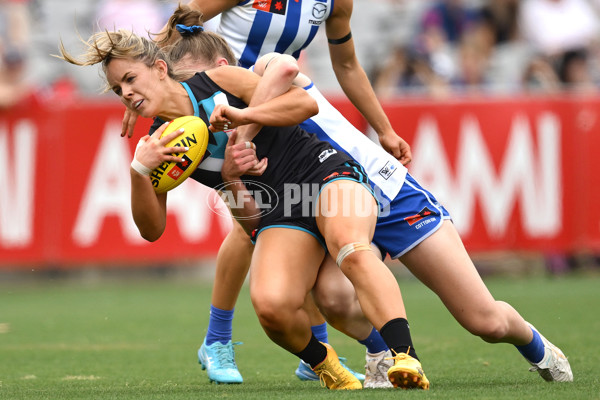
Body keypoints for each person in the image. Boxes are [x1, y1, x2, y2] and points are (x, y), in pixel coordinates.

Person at [159, 9, 574, 387]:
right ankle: (382, 354)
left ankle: (535, 345)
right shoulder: (217, 137)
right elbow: (252, 225)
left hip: (386, 190)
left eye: (192, 83)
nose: (191, 98)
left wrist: (385, 129)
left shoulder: (261, 73)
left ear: (219, 67)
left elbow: (294, 64)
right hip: (327, 198)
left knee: (484, 321)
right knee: (335, 296)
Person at [57, 27, 431, 390]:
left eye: (130, 78)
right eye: (119, 89)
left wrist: (244, 117)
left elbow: (304, 103)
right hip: (280, 209)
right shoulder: (160, 144)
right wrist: (142, 171)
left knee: (351, 248)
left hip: (323, 170)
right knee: (272, 306)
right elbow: (153, 230)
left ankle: (405, 356)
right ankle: (326, 366)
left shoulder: (218, 80)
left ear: (158, 69)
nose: (126, 93)